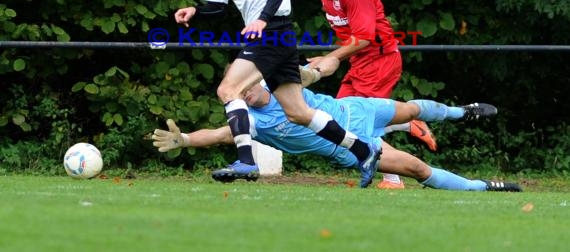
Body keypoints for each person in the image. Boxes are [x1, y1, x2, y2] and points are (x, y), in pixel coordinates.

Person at [174, 0, 380, 188]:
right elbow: (216, 7)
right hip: (274, 35)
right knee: (298, 113)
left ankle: (246, 160)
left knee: (228, 89)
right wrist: (196, 12)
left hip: (270, 31)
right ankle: (363, 150)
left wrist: (262, 19)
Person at [151, 83, 521, 192]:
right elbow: (217, 135)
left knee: (409, 109)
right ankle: (483, 187)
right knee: (417, 167)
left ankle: (462, 111)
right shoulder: (253, 122)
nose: (246, 95)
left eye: (248, 88)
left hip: (354, 110)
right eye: (240, 94)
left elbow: (314, 68)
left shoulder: (281, 77)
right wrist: (184, 139)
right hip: (348, 148)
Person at [299, 0, 422, 189]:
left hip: (380, 61)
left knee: (361, 122)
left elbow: (364, 38)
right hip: (360, 63)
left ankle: (393, 178)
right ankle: (408, 123)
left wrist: (331, 57)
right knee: (340, 116)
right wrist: (331, 57)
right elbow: (349, 34)